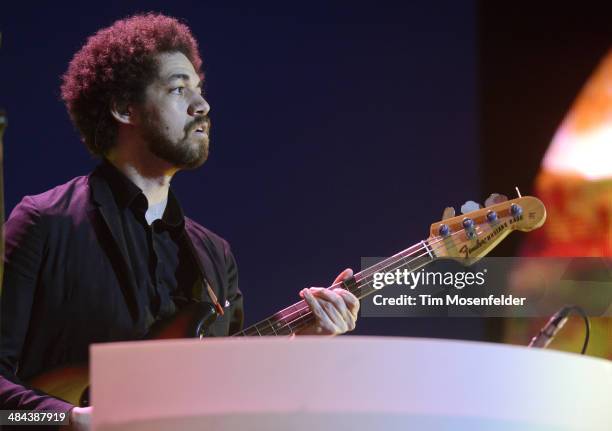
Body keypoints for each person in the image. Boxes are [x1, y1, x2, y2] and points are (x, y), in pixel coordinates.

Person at [0, 13, 359, 430]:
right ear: (123, 108)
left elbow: (229, 398)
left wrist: (304, 344)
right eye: (178, 89)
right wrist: (66, 420)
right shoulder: (44, 223)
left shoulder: (213, 256)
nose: (202, 105)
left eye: (200, 89)